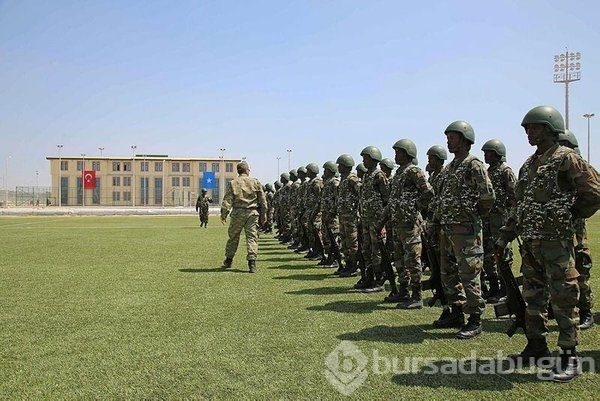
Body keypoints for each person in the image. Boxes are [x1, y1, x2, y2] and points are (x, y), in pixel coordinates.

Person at [498, 106, 600, 382]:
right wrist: (507, 232)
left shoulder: (567, 159)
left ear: (550, 128)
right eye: (527, 128)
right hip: (531, 245)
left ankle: (569, 355)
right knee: (534, 296)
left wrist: (571, 214)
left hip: (557, 244)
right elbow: (520, 205)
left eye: (535, 127)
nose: (529, 132)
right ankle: (536, 346)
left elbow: (594, 192)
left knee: (564, 298)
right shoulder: (529, 165)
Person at [434, 120, 495, 339]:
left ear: (465, 139)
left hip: (466, 231)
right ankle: (456, 311)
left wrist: (472, 216)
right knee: (448, 272)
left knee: (469, 274)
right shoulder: (450, 167)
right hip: (448, 230)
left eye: (453, 136)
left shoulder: (473, 164)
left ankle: (475, 319)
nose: (449, 140)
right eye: (448, 137)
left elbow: (487, 196)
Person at [378, 139, 433, 308]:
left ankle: (417, 296)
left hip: (410, 225)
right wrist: (381, 222)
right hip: (397, 224)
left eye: (399, 152)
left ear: (408, 153)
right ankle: (404, 290)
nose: (396, 155)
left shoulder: (413, 171)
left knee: (413, 260)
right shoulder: (398, 174)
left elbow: (428, 192)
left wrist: (414, 206)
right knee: (400, 259)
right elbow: (392, 202)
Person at [558, 129, 595, 330]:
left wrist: (576, 212)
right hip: (556, 229)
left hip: (575, 227)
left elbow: (593, 193)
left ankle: (585, 311)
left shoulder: (577, 164)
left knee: (581, 267)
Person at [480, 139, 516, 303]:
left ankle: (505, 289)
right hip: (487, 220)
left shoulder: (505, 171)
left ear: (497, 153)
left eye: (489, 152)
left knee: (502, 254)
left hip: (500, 220)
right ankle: (494, 286)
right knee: (488, 255)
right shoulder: (488, 172)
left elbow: (515, 195)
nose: (486, 155)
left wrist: (507, 213)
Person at [220, 161, 267, 273]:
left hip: (237, 214)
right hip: (252, 214)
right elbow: (262, 200)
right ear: (246, 170)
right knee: (252, 238)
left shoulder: (233, 183)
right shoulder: (255, 182)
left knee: (233, 237)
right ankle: (252, 263)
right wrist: (264, 213)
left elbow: (227, 200)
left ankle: (229, 259)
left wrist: (224, 214)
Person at [356, 146, 390, 293]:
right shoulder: (366, 176)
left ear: (374, 159)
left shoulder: (379, 175)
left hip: (377, 220)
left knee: (377, 251)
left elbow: (386, 199)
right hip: (366, 219)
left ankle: (379, 280)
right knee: (367, 250)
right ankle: (369, 278)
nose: (364, 160)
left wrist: (382, 223)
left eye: (366, 157)